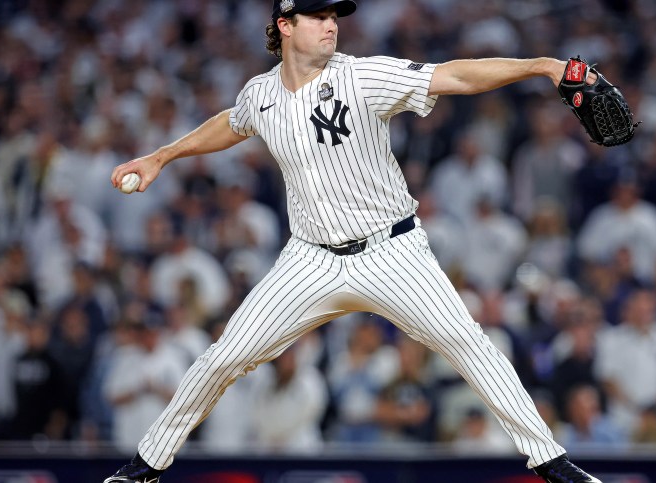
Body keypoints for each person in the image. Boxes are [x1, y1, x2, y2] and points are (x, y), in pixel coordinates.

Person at [103, 1, 602, 482]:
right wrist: (162, 156)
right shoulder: (260, 94)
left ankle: (551, 463)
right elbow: (232, 123)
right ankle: (147, 465)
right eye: (318, 16)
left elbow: (454, 75)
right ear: (286, 25)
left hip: (392, 251)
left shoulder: (361, 76)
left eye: (334, 16)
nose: (331, 25)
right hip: (310, 259)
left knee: (470, 344)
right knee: (223, 358)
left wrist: (542, 66)